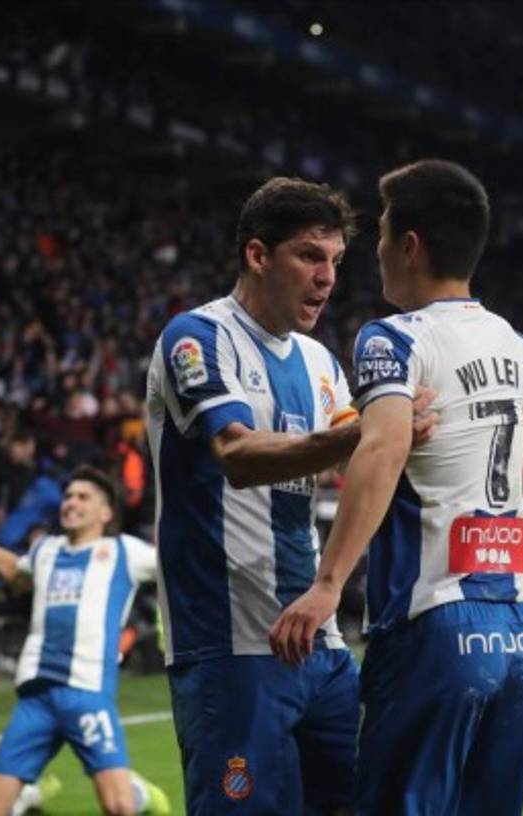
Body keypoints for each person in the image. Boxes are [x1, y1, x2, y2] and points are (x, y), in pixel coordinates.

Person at [270, 159, 523, 816]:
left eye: (383, 233)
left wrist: (328, 583)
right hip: (521, 637)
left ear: (409, 245)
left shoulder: (393, 339)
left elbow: (384, 446)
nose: (377, 251)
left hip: (434, 631)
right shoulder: (516, 344)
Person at [144, 176, 436, 815]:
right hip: (230, 645)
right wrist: (368, 432)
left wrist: (402, 435)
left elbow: (365, 462)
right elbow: (239, 457)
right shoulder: (196, 338)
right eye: (309, 256)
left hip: (319, 643)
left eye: (335, 260)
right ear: (257, 255)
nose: (327, 277)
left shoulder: (321, 362)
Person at [0, 466, 169, 816]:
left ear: (106, 512)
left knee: (120, 807)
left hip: (87, 694)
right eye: (68, 496)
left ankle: (138, 794)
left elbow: (179, 566)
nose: (71, 503)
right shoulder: (45, 550)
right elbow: (14, 573)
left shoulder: (125, 552)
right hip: (36, 698)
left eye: (84, 497)